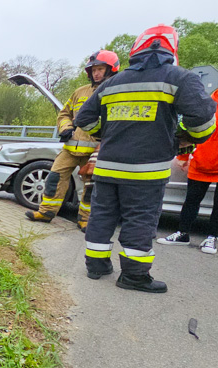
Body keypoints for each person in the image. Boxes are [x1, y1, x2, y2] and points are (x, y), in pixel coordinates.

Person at [75, 24, 217, 293]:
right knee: (139, 220)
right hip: (146, 171)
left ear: (136, 49)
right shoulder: (180, 78)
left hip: (107, 167)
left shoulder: (113, 83)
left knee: (102, 217)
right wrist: (183, 138)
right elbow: (204, 120)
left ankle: (96, 266)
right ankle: (134, 276)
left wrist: (108, 134)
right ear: (171, 50)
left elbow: (84, 118)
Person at [26, 50, 119, 231]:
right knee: (54, 178)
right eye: (93, 70)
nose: (96, 73)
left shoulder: (115, 93)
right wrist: (65, 128)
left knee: (91, 187)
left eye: (100, 69)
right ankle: (46, 212)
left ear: (111, 70)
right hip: (70, 148)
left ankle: (85, 219)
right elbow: (64, 114)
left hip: (95, 151)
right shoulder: (80, 92)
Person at [157, 88, 218, 252]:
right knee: (191, 201)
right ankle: (182, 234)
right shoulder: (207, 103)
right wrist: (183, 157)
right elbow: (190, 130)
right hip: (200, 163)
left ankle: (212, 238)